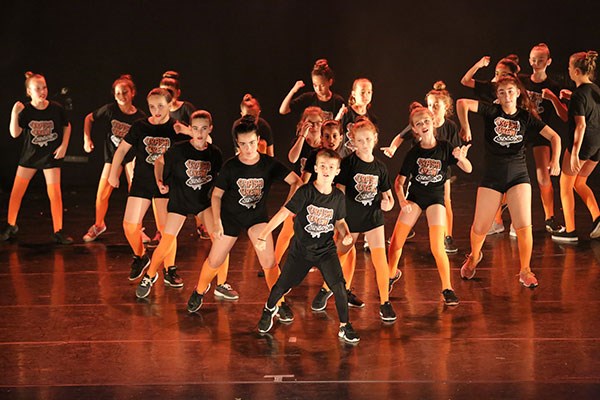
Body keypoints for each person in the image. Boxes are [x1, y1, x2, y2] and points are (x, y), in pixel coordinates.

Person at [186, 116, 302, 321]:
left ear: (258, 140)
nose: (248, 148)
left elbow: (296, 181)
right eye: (243, 144)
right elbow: (216, 195)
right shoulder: (231, 166)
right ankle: (200, 291)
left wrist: (287, 207)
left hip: (256, 217)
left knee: (269, 261)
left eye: (252, 142)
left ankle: (279, 302)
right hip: (230, 217)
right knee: (215, 259)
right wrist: (217, 222)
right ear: (237, 144)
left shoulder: (268, 164)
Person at [456, 75, 561, 288]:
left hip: (518, 175)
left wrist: (555, 160)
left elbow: (555, 137)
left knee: (523, 224)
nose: (507, 96)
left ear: (518, 93)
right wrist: (465, 127)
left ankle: (525, 270)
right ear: (497, 95)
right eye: (502, 92)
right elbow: (462, 103)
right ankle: (474, 256)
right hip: (492, 176)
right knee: (480, 226)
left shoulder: (526, 117)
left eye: (510, 91)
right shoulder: (491, 111)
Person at [255, 148, 360, 343]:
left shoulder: (338, 196)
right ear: (316, 168)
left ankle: (345, 326)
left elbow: (340, 221)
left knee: (339, 286)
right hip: (301, 250)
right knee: (283, 285)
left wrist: (346, 233)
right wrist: (263, 234)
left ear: (337, 171)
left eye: (331, 167)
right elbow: (284, 212)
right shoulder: (305, 192)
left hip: (325, 250)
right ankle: (269, 309)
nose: (326, 170)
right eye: (323, 166)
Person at [135, 110, 237, 298]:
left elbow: (220, 180)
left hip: (202, 203)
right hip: (180, 201)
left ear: (210, 129)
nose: (199, 133)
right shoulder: (179, 149)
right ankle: (149, 276)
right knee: (166, 241)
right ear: (190, 129)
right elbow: (159, 162)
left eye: (204, 128)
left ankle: (222, 284)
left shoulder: (214, 153)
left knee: (220, 242)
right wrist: (159, 180)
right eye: (196, 128)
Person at [312, 118, 396, 321]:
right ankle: (325, 289)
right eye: (360, 140)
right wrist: (338, 219)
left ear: (375, 138)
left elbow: (389, 197)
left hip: (373, 218)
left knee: (380, 260)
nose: (365, 144)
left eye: (368, 139)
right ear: (353, 142)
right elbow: (339, 192)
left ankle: (385, 302)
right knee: (339, 255)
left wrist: (388, 204)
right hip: (351, 218)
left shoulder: (380, 167)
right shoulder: (348, 163)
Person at [388, 103, 472, 305]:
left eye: (426, 121)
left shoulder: (445, 147)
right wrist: (402, 201)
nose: (423, 125)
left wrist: (461, 158)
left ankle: (447, 288)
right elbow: (398, 182)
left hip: (435, 198)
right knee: (396, 241)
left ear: (433, 122)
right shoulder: (414, 153)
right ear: (414, 129)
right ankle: (390, 275)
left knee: (437, 246)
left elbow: (468, 169)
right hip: (415, 197)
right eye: (418, 123)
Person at [108, 88, 186, 281]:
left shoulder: (175, 127)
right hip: (142, 181)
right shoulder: (140, 126)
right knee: (129, 225)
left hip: (165, 183)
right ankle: (140, 256)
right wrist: (113, 173)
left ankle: (169, 269)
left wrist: (187, 130)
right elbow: (121, 150)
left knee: (167, 230)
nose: (156, 111)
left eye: (160, 106)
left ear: (170, 105)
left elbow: (206, 140)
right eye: (152, 107)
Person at [1, 72, 73, 244]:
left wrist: (63, 146)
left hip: (50, 157)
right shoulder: (25, 110)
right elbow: (14, 133)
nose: (42, 91)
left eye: (44, 87)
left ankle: (58, 230)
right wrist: (14, 114)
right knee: (17, 192)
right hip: (30, 157)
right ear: (29, 92)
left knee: (55, 194)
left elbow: (67, 126)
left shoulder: (56, 108)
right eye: (37, 89)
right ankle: (10, 225)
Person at [82, 74, 146, 242]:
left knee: (136, 193)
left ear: (133, 93)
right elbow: (89, 118)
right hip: (112, 156)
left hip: (131, 157)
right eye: (118, 93)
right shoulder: (110, 109)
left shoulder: (140, 117)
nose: (121, 96)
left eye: (125, 92)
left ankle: (137, 228)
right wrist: (87, 139)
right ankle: (98, 225)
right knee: (102, 193)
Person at [552, 51, 600, 242]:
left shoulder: (579, 95)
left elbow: (579, 125)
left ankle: (570, 230)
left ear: (577, 71)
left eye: (570, 68)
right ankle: (598, 218)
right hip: (597, 144)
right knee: (580, 182)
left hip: (583, 145)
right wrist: (570, 98)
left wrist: (574, 154)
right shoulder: (594, 89)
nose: (568, 70)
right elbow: (589, 108)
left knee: (565, 185)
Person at [521, 43, 567, 234]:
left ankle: (550, 217)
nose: (536, 63)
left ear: (548, 61)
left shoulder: (553, 86)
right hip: (521, 132)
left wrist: (553, 98)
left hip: (541, 133)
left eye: (540, 59)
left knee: (543, 176)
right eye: (533, 59)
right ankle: (499, 219)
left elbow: (565, 116)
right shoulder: (521, 81)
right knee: (510, 175)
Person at [273, 107, 324, 265]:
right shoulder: (300, 141)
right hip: (299, 190)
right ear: (303, 123)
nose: (314, 126)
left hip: (318, 193)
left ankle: (309, 263)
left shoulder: (324, 144)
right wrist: (302, 135)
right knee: (287, 230)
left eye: (318, 122)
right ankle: (274, 262)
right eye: (310, 123)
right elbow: (293, 158)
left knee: (313, 232)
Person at [279, 59, 345, 120]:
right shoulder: (308, 98)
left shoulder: (337, 101)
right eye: (315, 85)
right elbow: (283, 111)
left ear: (330, 82)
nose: (318, 89)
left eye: (322, 85)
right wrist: (293, 91)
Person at [337, 78, 378, 152]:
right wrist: (338, 118)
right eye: (362, 92)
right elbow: (333, 130)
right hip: (345, 156)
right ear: (354, 94)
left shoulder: (371, 118)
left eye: (369, 92)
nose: (366, 95)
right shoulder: (346, 113)